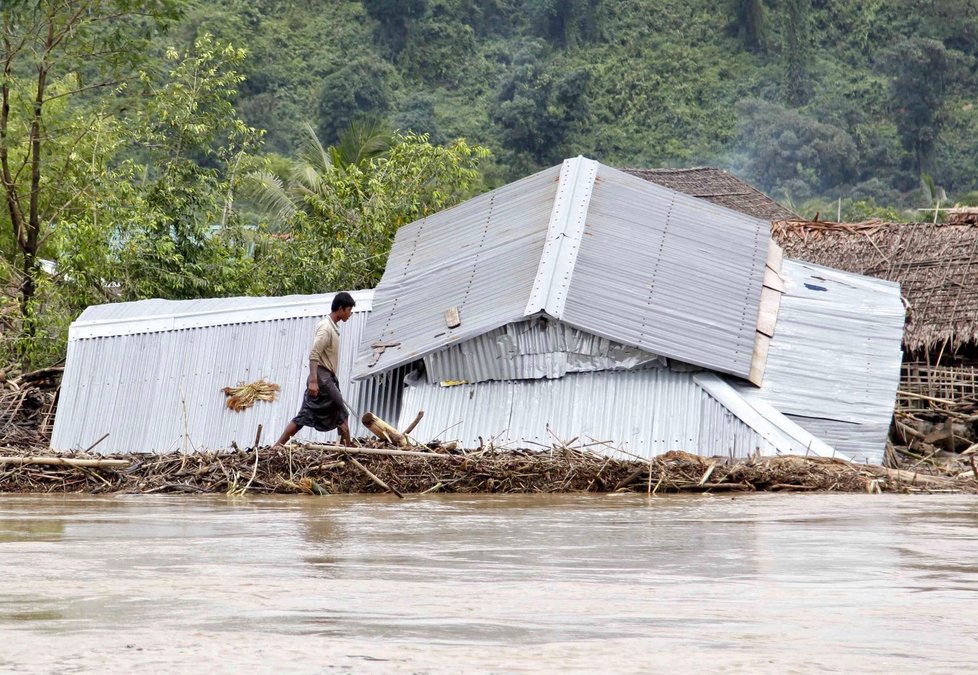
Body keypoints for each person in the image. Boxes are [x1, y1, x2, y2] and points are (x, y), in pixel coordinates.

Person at [274, 292, 356, 448]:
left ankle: (278, 445)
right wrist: (313, 381)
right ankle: (348, 451)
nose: (350, 314)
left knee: (307, 414)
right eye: (349, 310)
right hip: (321, 378)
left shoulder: (332, 327)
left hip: (325, 378)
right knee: (342, 414)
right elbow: (314, 354)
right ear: (340, 309)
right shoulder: (326, 328)